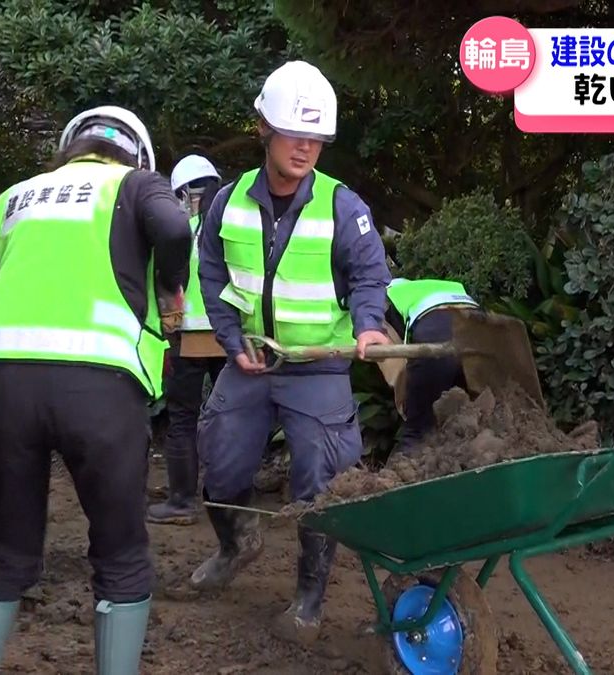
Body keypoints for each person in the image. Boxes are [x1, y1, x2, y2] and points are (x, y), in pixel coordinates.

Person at [0, 105, 193, 675]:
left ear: (70, 147)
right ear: (138, 154)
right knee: (120, 554)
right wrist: (169, 285)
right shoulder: (134, 184)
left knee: (4, 553)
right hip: (98, 388)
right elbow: (176, 228)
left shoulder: (13, 199)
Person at [189, 60, 392, 645]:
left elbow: (368, 275)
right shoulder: (226, 204)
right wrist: (230, 340)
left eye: (316, 138)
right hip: (250, 363)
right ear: (264, 129)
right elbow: (211, 274)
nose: (306, 148)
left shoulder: (342, 205)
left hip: (318, 368)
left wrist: (370, 325)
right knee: (221, 468)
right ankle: (236, 543)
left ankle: (310, 595)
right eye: (294, 134)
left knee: (319, 485)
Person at [146, 154, 226, 525]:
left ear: (183, 194)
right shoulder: (232, 229)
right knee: (235, 413)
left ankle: (182, 501)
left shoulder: (181, 232)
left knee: (182, 418)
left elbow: (166, 285)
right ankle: (230, 494)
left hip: (189, 336)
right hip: (231, 335)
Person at [384, 277, 478, 451]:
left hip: (435, 333)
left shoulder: (385, 298)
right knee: (480, 419)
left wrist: (408, 403)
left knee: (418, 432)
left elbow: (394, 360)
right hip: (479, 331)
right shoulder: (430, 287)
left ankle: (405, 475)